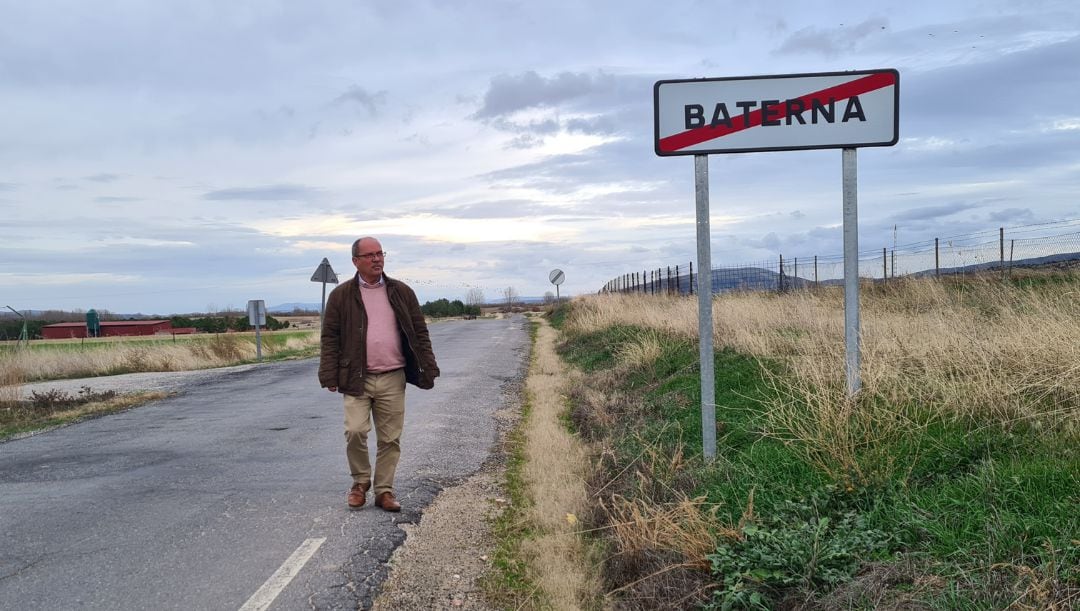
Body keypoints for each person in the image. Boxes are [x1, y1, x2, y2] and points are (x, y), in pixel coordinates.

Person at [319, 237, 439, 512]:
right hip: (356, 377)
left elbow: (420, 333)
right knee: (355, 431)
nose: (377, 259)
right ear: (355, 261)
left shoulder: (402, 292)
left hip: (392, 377)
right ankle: (360, 482)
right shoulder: (341, 295)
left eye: (380, 253)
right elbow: (330, 338)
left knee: (390, 438)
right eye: (370, 255)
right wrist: (329, 375)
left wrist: (428, 366)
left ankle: (384, 490)